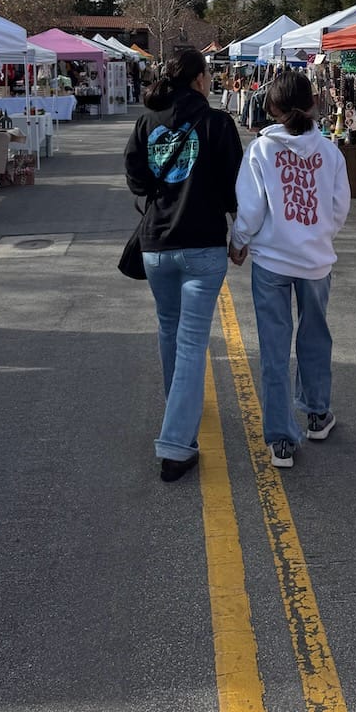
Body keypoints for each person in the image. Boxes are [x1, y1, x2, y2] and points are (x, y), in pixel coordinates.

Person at [124, 48, 244, 482]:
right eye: (208, 74)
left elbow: (136, 179)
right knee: (192, 341)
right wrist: (239, 234)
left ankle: (178, 402)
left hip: (157, 244)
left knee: (169, 328)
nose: (210, 80)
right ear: (198, 79)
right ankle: (176, 444)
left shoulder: (148, 122)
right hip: (201, 243)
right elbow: (234, 188)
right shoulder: (217, 123)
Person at [228, 70, 350, 469]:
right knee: (315, 337)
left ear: (272, 107)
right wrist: (319, 235)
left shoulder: (261, 150)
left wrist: (240, 240)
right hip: (315, 261)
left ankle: (281, 437)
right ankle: (317, 413)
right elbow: (339, 208)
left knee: (274, 348)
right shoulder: (329, 152)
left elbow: (251, 208)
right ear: (312, 103)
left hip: (271, 261)